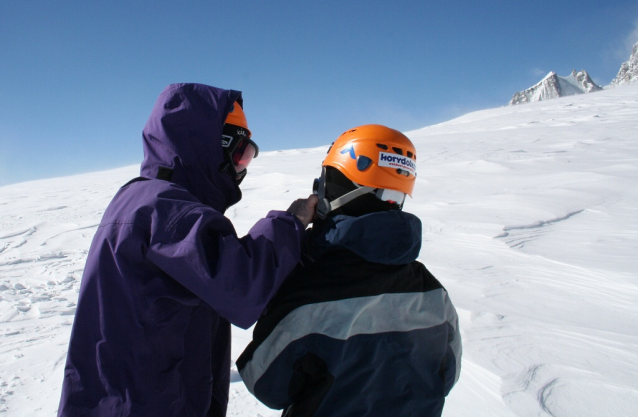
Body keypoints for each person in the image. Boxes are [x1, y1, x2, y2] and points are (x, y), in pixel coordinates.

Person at [57, 83, 318, 417]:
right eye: (240, 153)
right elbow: (242, 286)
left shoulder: (145, 200)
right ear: (207, 147)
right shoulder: (163, 208)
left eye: (248, 157)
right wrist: (292, 223)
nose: (242, 169)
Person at [237, 124, 462, 416]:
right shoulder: (432, 290)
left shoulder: (310, 291)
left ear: (336, 187)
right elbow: (447, 375)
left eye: (325, 180)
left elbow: (265, 383)